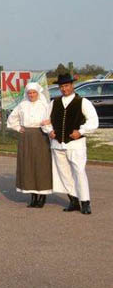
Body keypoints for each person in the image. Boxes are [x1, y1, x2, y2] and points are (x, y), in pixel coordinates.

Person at [46, 74, 98, 215]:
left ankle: (85, 202)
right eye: (62, 86)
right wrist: (49, 131)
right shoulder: (54, 103)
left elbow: (93, 121)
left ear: (72, 85)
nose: (64, 89)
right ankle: (73, 200)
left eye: (67, 86)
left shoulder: (83, 102)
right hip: (58, 144)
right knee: (64, 174)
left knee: (79, 172)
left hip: (75, 144)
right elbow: (46, 120)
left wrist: (81, 131)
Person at [6, 82, 52, 208]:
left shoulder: (45, 105)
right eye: (29, 93)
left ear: (38, 93)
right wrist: (18, 127)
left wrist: (48, 128)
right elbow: (12, 118)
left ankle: (42, 196)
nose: (31, 95)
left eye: (34, 93)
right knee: (28, 165)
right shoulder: (22, 105)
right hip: (26, 137)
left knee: (41, 165)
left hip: (41, 135)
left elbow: (50, 120)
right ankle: (33, 196)